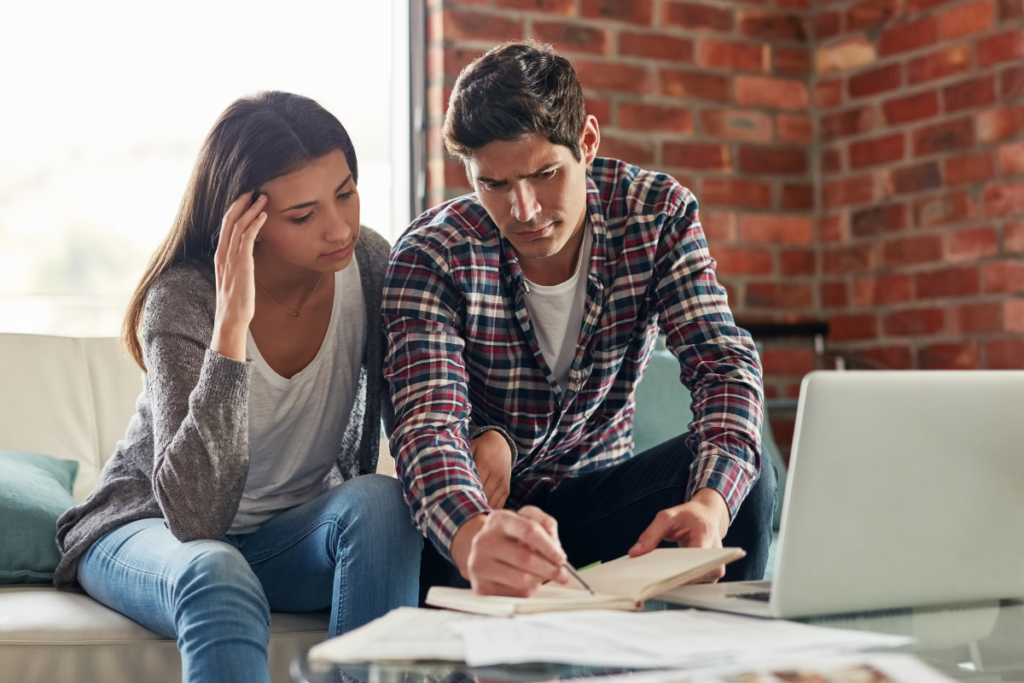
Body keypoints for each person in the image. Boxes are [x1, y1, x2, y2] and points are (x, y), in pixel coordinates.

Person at [382, 41, 776, 601]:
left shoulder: (655, 215)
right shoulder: (433, 254)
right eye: (493, 184)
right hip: (488, 517)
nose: (524, 210)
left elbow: (724, 368)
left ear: (587, 143)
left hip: (601, 502)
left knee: (745, 482)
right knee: (439, 524)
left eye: (544, 174)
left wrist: (711, 505)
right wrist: (472, 533)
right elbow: (427, 423)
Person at [52, 92, 423, 683]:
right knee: (217, 570)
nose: (338, 227)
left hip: (286, 539)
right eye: (303, 215)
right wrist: (231, 329)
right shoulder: (184, 298)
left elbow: (418, 413)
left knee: (384, 503)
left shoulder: (372, 265)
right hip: (149, 530)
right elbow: (195, 519)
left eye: (346, 193)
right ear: (242, 219)